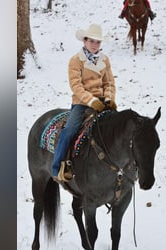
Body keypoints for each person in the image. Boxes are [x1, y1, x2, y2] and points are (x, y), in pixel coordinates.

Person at [52, 23, 117, 178]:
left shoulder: (105, 60)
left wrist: (109, 99)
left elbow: (109, 82)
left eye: (98, 42)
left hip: (102, 102)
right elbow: (76, 86)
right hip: (82, 102)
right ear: (85, 41)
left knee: (117, 128)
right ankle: (58, 167)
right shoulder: (76, 60)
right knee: (70, 130)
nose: (95, 45)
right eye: (92, 41)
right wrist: (91, 101)